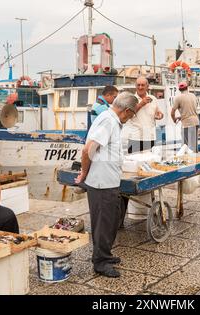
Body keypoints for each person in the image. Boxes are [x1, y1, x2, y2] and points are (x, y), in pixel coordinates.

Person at [75, 92, 139, 278]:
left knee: (111, 220)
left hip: (109, 181)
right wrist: (84, 173)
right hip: (101, 183)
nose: (130, 118)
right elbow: (88, 150)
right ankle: (100, 263)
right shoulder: (108, 121)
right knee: (103, 223)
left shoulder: (111, 120)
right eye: (132, 114)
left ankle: (105, 254)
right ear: (127, 111)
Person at [126, 77, 164, 154]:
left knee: (149, 162)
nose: (140, 87)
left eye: (142, 85)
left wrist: (160, 115)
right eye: (138, 85)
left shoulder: (153, 98)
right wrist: (141, 104)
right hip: (135, 137)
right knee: (134, 163)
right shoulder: (130, 99)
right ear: (135, 86)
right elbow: (128, 115)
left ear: (147, 86)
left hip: (150, 136)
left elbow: (158, 112)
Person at [171, 82, 200, 152]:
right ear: (187, 88)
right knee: (194, 144)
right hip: (196, 122)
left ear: (179, 90)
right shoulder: (193, 96)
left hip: (187, 124)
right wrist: (181, 117)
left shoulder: (178, 98)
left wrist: (174, 119)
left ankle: (189, 161)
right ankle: (196, 159)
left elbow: (172, 113)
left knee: (185, 146)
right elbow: (190, 111)